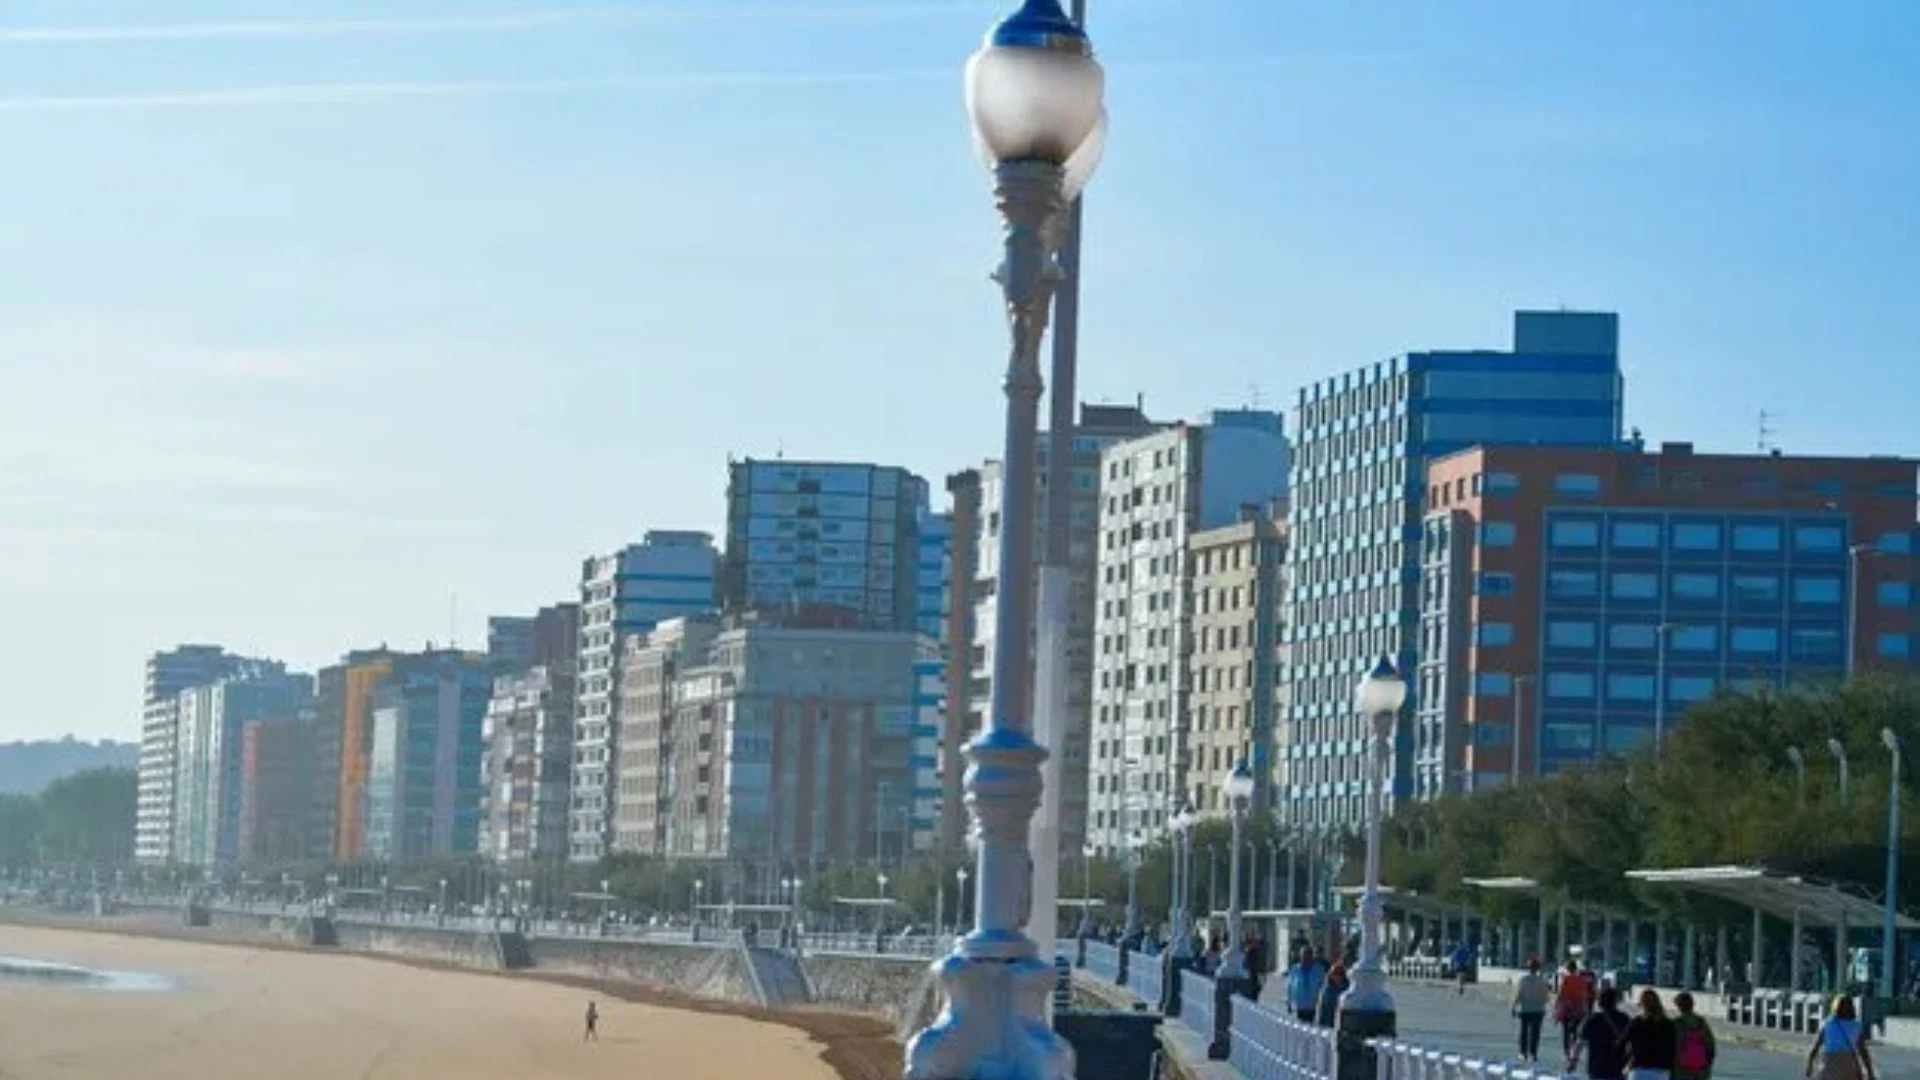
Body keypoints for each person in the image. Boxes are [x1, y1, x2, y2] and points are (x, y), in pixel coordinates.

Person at [1805, 995, 1877, 1080]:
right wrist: (1870, 1072)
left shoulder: (1827, 1024)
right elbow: (1863, 1052)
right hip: (1848, 1067)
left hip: (1829, 1065)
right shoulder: (1856, 1026)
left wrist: (1809, 1065)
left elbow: (1815, 1047)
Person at [1568, 985, 1632, 1080]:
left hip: (1596, 1067)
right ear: (1615, 1002)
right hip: (1618, 1067)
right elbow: (1630, 1044)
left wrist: (1573, 1062)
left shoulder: (1592, 1020)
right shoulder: (1624, 1019)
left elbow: (1579, 1043)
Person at [1622, 988, 1677, 1080]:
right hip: (1661, 1070)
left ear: (1642, 1004)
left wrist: (1627, 1061)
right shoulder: (1668, 1024)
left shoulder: (1636, 1023)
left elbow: (1621, 1043)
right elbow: (1673, 1048)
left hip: (1639, 1068)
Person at [1511, 956, 1552, 1064]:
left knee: (1524, 1031)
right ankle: (1533, 1053)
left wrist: (1514, 1006)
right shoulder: (1542, 981)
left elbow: (1519, 994)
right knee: (1535, 1033)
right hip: (1538, 1009)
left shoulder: (1523, 980)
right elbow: (1546, 997)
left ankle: (1522, 1052)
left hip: (1525, 1008)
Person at [1556, 956, 1596, 1058]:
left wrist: (1557, 1005)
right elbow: (1584, 994)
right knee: (1574, 1030)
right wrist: (1586, 1007)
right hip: (1578, 1008)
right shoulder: (1581, 979)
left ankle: (1567, 1050)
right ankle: (1573, 1047)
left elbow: (1561, 993)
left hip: (1567, 1009)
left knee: (1565, 1030)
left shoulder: (1566, 979)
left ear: (1567, 969)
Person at [1672, 991, 1716, 1080]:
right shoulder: (1701, 1023)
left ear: (1678, 1006)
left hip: (1681, 1070)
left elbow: (1671, 1047)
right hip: (1700, 1070)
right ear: (1692, 1004)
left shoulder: (1676, 1023)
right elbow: (1711, 1047)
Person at [1286, 944, 1329, 1024]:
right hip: (1298, 1006)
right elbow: (1289, 987)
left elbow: (1324, 987)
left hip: (1313, 1006)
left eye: (1308, 955)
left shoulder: (1319, 970)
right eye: (1303, 955)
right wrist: (1289, 1003)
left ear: (1312, 957)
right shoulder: (1294, 969)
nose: (1305, 958)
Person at [1315, 962, 1350, 1028]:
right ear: (1330, 975)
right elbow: (1321, 1010)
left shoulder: (1347, 990)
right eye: (1335, 974)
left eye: (1340, 974)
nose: (1337, 976)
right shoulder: (1326, 991)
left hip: (1342, 1025)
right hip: (1328, 1024)